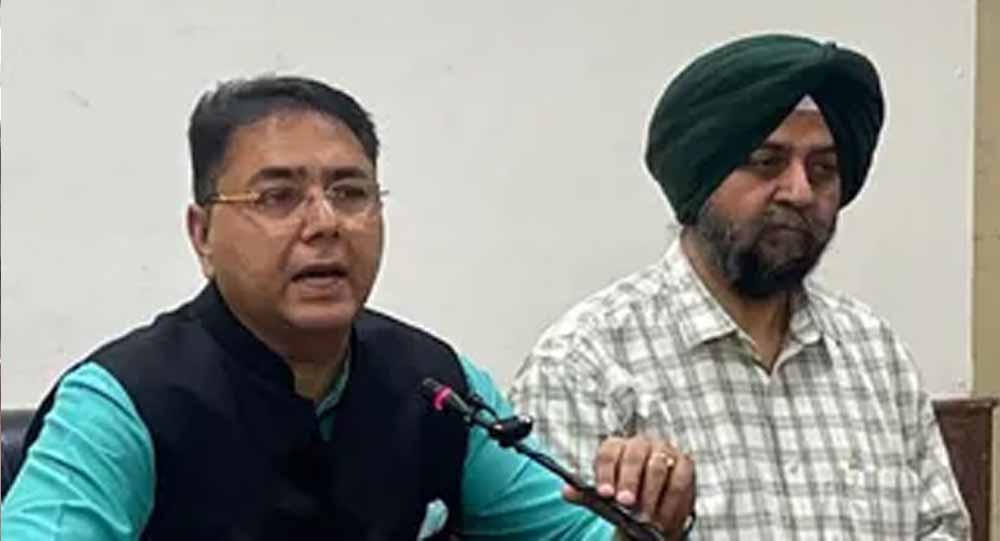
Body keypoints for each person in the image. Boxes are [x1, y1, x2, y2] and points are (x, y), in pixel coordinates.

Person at [1, 75, 693, 540]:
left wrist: (649, 515)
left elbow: (575, 534)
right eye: (278, 197)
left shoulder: (437, 385)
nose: (325, 223)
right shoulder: (125, 401)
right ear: (202, 233)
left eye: (351, 193)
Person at [509, 33, 971, 539]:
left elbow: (941, 529)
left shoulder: (874, 353)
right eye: (766, 161)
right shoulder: (584, 364)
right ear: (700, 175)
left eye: (824, 169)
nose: (800, 192)